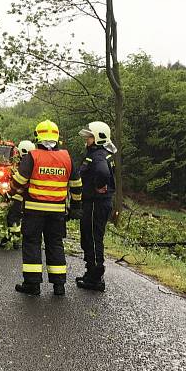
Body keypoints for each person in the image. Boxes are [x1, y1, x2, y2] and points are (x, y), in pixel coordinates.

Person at [11, 120, 82, 296]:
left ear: (37, 137)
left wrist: (13, 191)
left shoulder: (32, 156)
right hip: (57, 212)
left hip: (34, 211)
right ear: (57, 138)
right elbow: (77, 184)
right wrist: (76, 205)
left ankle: (32, 285)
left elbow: (19, 182)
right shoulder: (67, 157)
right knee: (55, 245)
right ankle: (59, 286)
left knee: (32, 244)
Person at [76, 121, 117, 291]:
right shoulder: (100, 153)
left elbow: (102, 172)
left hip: (95, 203)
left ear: (98, 138)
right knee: (90, 236)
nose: (87, 140)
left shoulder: (98, 155)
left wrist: (99, 186)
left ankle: (95, 277)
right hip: (96, 203)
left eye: (90, 137)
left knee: (92, 238)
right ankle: (91, 272)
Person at [0, 140, 35, 248]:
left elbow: (18, 183)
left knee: (13, 219)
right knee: (20, 219)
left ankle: (15, 240)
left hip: (18, 198)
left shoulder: (24, 165)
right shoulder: (33, 163)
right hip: (29, 199)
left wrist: (8, 195)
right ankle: (15, 239)